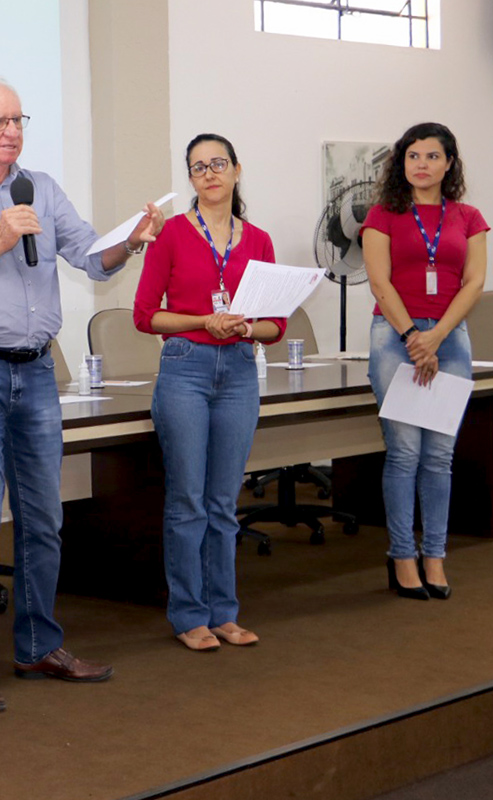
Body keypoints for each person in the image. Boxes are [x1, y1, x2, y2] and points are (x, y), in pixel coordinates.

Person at [0, 77, 163, 711]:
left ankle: (37, 645)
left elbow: (89, 258)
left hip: (37, 371)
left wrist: (128, 242)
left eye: (18, 118)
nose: (12, 131)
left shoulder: (41, 188)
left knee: (44, 515)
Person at [133, 133, 286, 653]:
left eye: (218, 164)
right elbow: (145, 315)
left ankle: (225, 612)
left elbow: (276, 325)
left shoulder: (259, 240)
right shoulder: (173, 233)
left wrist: (244, 329)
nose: (209, 174)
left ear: (237, 171)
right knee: (188, 500)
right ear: (191, 179)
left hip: (240, 370)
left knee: (223, 502)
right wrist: (205, 320)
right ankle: (188, 615)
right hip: (185, 369)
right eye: (198, 168)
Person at [360, 122, 488, 601]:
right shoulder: (382, 215)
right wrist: (415, 336)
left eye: (432, 156)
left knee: (439, 456)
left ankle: (435, 553)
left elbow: (473, 283)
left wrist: (436, 336)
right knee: (405, 452)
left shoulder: (469, 217)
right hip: (395, 336)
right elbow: (379, 283)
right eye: (413, 156)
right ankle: (402, 555)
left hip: (450, 336)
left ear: (448, 163)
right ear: (402, 162)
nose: (422, 164)